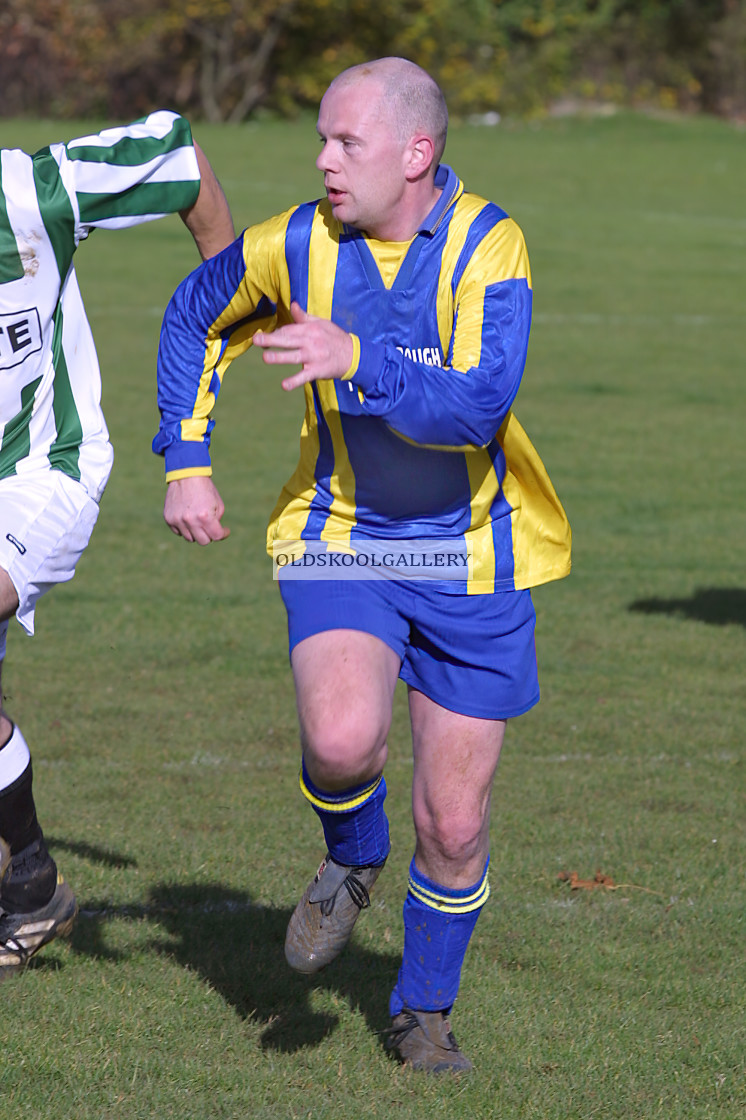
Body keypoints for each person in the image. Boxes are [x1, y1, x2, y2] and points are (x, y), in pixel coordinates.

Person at [154, 58, 571, 1073]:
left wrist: (358, 361)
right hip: (337, 534)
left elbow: (475, 407)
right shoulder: (293, 242)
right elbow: (189, 315)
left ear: (416, 154)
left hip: (470, 553)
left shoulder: (488, 244)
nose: (322, 160)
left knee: (455, 819)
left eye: (347, 143)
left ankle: (422, 1012)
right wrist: (187, 457)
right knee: (342, 744)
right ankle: (351, 856)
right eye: (321, 139)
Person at [0, 111, 235, 975]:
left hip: (45, 470)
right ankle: (30, 882)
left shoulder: (33, 191)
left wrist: (227, 288)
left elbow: (178, 153)